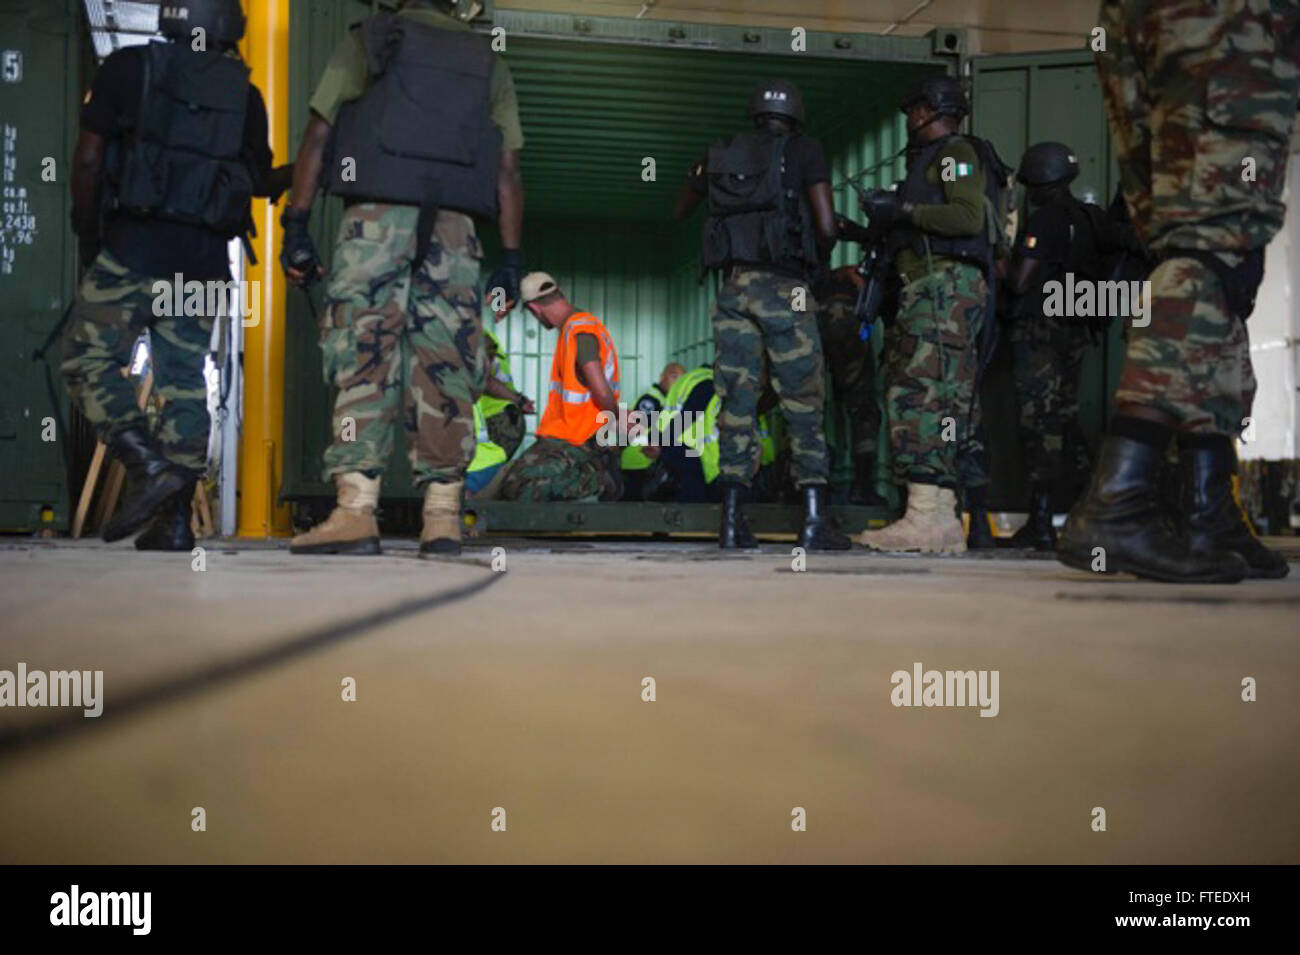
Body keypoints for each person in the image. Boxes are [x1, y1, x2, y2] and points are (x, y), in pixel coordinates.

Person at [1058, 0, 1297, 582]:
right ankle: (1118, 499)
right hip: (1229, 20)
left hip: (1146, 22)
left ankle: (1206, 503)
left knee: (1197, 246)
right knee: (1212, 243)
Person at [281, 0, 525, 558]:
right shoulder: (486, 58)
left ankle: (354, 511)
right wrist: (511, 257)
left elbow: (319, 134)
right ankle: (442, 519)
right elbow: (508, 168)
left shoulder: (371, 38)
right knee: (446, 363)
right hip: (454, 231)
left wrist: (296, 222)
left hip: (376, 221)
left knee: (362, 356)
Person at [63, 0, 287, 551]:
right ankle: (176, 522)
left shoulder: (129, 69)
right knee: (184, 385)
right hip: (205, 260)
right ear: (231, 30)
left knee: (84, 358)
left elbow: (89, 160)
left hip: (135, 247)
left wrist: (89, 237)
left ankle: (142, 461)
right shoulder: (247, 97)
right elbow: (256, 181)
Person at [674, 79, 850, 551]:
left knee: (737, 402)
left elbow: (681, 206)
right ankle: (813, 521)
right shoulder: (806, 150)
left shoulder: (720, 153)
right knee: (804, 400)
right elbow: (828, 227)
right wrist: (818, 246)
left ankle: (732, 521)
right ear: (796, 114)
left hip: (734, 288)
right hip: (788, 287)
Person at [846, 75, 1009, 554]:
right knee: (940, 399)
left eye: (917, 110)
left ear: (937, 110)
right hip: (937, 286)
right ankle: (937, 518)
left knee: (919, 395)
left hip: (944, 288)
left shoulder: (956, 156)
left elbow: (965, 217)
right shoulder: (936, 161)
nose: (910, 119)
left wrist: (902, 209)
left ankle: (924, 517)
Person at [1005, 142, 1110, 550]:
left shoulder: (1045, 220)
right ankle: (1093, 511)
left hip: (1039, 333)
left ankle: (1042, 521)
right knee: (1065, 421)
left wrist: (998, 258)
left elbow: (1019, 281)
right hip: (1074, 329)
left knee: (1040, 424)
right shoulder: (1089, 218)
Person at [497, 273, 623, 502]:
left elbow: (601, 389)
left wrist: (617, 421)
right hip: (566, 434)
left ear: (535, 309)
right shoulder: (576, 327)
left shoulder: (579, 331)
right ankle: (592, 472)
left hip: (578, 438)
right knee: (509, 481)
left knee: (518, 488)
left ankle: (598, 479)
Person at [815, 266, 887, 506]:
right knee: (863, 407)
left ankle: (808, 489)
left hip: (809, 315)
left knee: (804, 406)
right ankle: (862, 487)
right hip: (846, 312)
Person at [621, 362, 684, 500]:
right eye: (674, 376)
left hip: (647, 463)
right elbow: (635, 428)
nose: (677, 382)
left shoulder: (667, 401)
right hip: (638, 463)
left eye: (681, 379)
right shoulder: (652, 400)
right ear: (662, 377)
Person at [477, 326, 532, 461]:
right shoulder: (485, 334)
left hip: (494, 421)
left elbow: (484, 379)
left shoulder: (471, 337)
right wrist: (520, 400)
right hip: (506, 416)